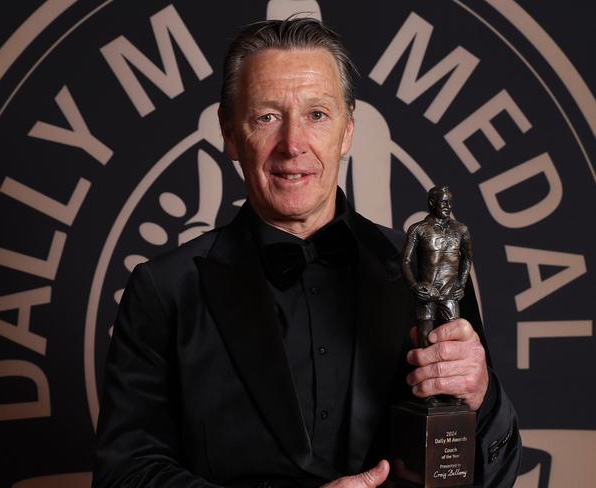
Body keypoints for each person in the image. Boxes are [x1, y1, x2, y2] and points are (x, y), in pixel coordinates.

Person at [92, 17, 521, 488]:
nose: (293, 145)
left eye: (317, 115)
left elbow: (488, 476)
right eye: (267, 117)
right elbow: (124, 474)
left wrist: (481, 398)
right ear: (231, 134)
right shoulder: (165, 290)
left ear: (348, 131)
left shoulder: (425, 272)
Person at [402, 185, 473, 350]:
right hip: (427, 292)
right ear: (432, 203)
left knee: (453, 345)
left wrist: (461, 284)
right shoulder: (418, 229)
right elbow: (405, 261)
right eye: (444, 202)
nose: (449, 207)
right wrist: (414, 286)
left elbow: (467, 258)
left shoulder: (461, 229)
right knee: (424, 344)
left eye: (450, 202)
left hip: (450, 292)